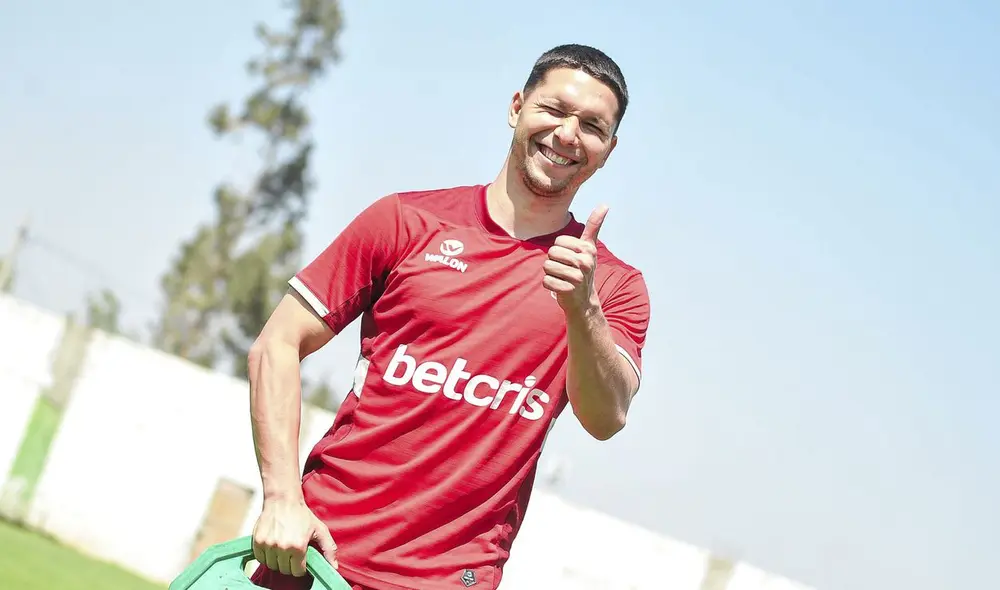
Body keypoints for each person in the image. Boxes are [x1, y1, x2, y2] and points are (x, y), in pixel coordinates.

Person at [247, 43, 650, 590]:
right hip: (318, 557)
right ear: (516, 108)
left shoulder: (612, 285)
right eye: (553, 110)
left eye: (591, 126)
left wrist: (583, 310)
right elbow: (278, 342)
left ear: (609, 148)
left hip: (449, 580)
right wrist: (281, 499)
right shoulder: (405, 220)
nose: (566, 135)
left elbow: (607, 418)